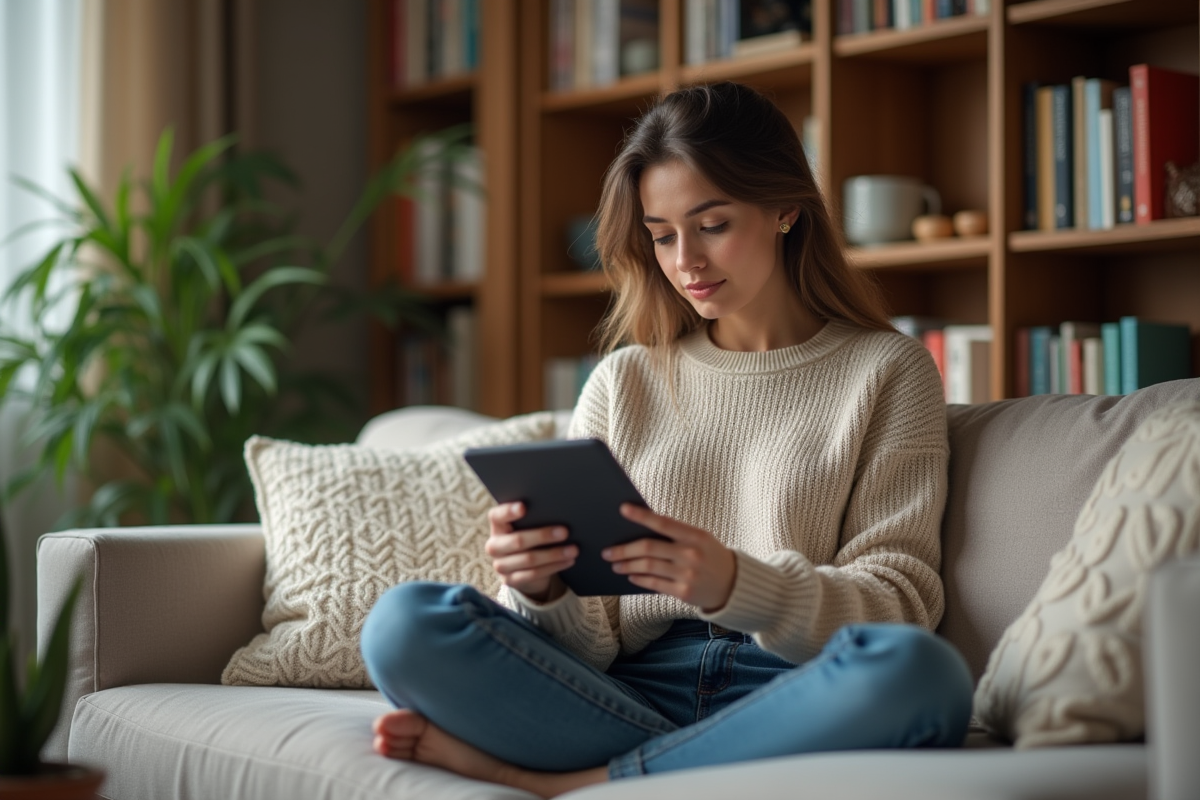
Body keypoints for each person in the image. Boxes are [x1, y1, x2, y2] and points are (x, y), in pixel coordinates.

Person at [359, 81, 973, 798]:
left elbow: (901, 603)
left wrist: (738, 586)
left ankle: (574, 782)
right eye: (662, 235)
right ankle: (665, 769)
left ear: (785, 208)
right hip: (627, 694)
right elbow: (590, 642)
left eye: (712, 224)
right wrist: (541, 587)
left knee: (921, 674)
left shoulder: (888, 369)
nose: (687, 262)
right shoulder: (624, 381)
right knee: (403, 625)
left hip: (794, 690)